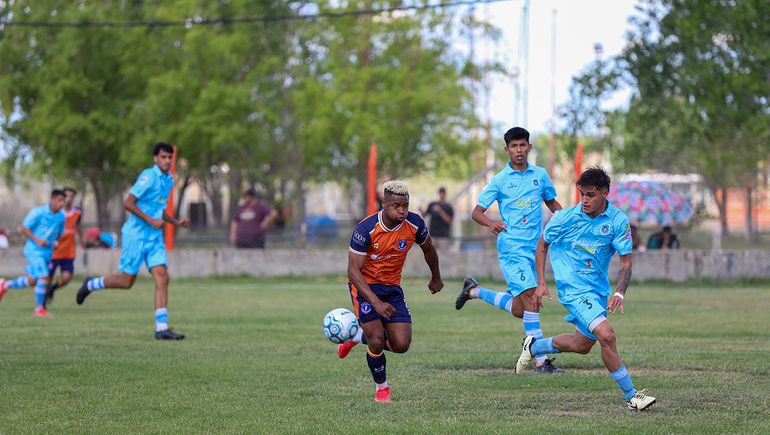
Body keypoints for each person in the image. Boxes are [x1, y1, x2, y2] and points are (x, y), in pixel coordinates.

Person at [517, 167, 656, 411]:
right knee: (607, 335)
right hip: (572, 289)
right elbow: (542, 246)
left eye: (590, 195)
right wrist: (541, 283)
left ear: (605, 193)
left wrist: (619, 292)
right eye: (582, 194)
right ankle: (633, 397)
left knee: (582, 346)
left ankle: (534, 346)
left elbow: (625, 262)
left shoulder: (618, 221)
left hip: (597, 292)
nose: (584, 200)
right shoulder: (565, 217)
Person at [454, 126, 564, 373]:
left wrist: (566, 218)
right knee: (532, 299)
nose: (519, 150)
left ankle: (474, 291)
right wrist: (491, 223)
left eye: (522, 145)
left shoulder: (540, 175)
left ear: (529, 147)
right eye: (514, 146)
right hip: (512, 249)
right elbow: (476, 212)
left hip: (535, 249)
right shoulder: (500, 180)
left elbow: (551, 201)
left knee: (521, 308)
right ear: (507, 150)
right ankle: (540, 360)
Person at [336, 180, 444, 403]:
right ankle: (382, 389)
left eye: (405, 205)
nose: (402, 210)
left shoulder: (414, 224)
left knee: (401, 345)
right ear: (383, 203)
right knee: (376, 340)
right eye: (396, 205)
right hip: (365, 288)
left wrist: (436, 276)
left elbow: (429, 249)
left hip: (392, 288)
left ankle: (357, 336)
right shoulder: (365, 229)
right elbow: (353, 271)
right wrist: (375, 302)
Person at [75, 142, 190, 340]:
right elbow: (129, 203)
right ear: (155, 158)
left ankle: (161, 328)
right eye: (163, 157)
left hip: (154, 238)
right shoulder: (148, 176)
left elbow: (158, 208)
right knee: (126, 282)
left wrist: (176, 222)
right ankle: (91, 284)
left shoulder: (168, 179)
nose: (167, 160)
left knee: (162, 276)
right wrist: (150, 220)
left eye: (170, 157)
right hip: (135, 236)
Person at [0, 190, 66, 317]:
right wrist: (38, 240)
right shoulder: (38, 212)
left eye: (63, 201)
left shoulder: (61, 217)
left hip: (47, 252)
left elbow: (60, 233)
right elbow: (23, 228)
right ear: (52, 200)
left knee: (32, 281)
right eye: (59, 200)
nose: (62, 203)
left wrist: (56, 242)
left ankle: (5, 284)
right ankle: (39, 309)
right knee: (44, 277)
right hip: (34, 251)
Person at [45, 187, 82, 306]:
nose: (69, 199)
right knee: (47, 278)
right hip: (54, 252)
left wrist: (82, 239)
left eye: (72, 196)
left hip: (68, 252)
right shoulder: (57, 213)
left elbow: (77, 226)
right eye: (67, 196)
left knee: (66, 279)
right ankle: (42, 304)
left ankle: (52, 289)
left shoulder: (77, 212)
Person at [422, 187, 454, 251]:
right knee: (431, 254)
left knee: (444, 256)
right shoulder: (432, 204)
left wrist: (440, 211)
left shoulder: (448, 206)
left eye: (443, 193)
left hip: (443, 236)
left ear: (445, 194)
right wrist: (421, 210)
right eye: (440, 193)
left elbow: (449, 221)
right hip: (432, 235)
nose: (441, 195)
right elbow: (425, 215)